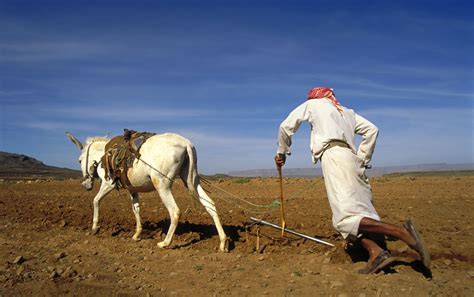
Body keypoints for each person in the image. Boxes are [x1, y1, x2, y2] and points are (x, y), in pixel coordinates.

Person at [275, 87, 430, 274]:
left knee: (344, 218)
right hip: (352, 158)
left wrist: (282, 152)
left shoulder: (313, 105)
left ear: (315, 96)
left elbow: (286, 126)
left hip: (334, 157)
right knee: (360, 211)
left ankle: (402, 232)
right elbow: (372, 130)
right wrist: (362, 159)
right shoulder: (347, 112)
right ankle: (377, 253)